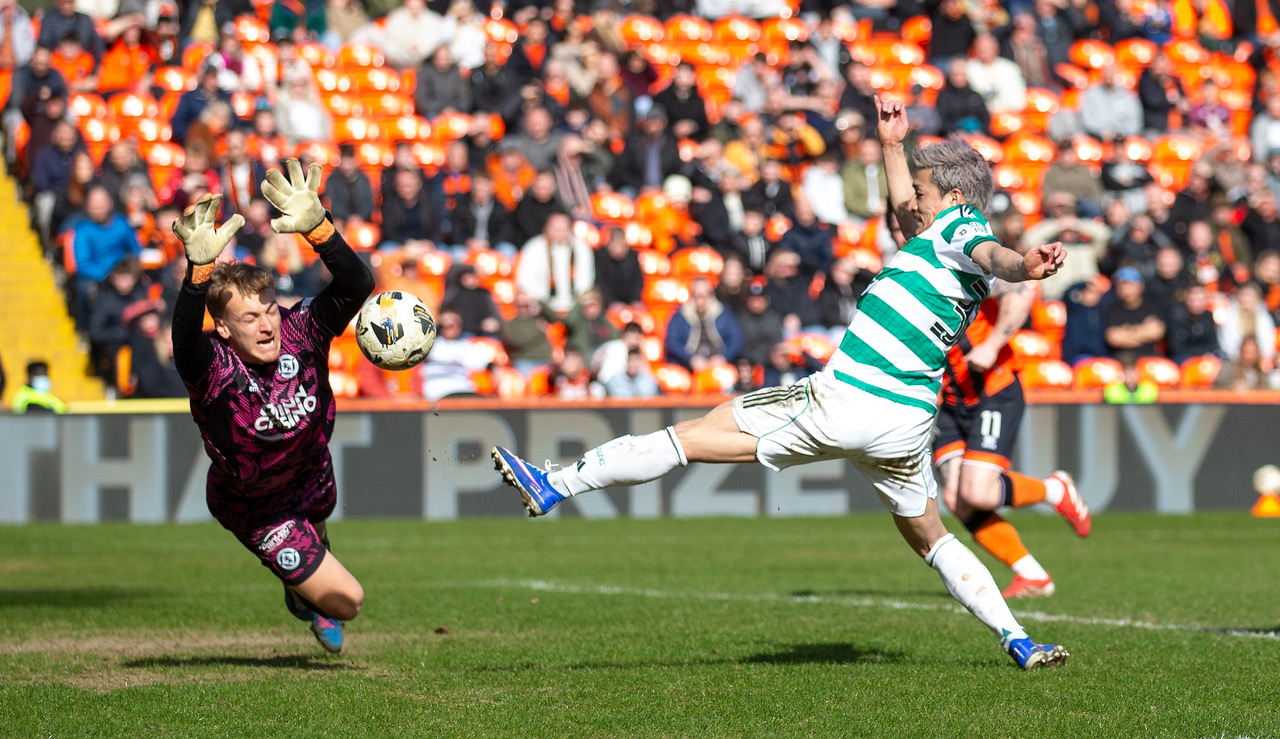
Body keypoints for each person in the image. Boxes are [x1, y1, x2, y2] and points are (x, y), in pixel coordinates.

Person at [491, 98, 1071, 670]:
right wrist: (893, 146)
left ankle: (556, 484)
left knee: (692, 437)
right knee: (930, 538)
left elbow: (995, 255)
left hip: (849, 397)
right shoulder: (939, 241)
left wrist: (1026, 266)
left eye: (923, 193)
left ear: (953, 199)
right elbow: (907, 215)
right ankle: (1018, 640)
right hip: (906, 422)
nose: (911, 201)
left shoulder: (965, 231)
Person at [170, 160, 375, 653]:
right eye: (248, 318)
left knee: (320, 527)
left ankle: (306, 570)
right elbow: (182, 343)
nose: (266, 326)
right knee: (347, 601)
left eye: (268, 311)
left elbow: (357, 286)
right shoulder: (214, 367)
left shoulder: (301, 329)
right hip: (254, 505)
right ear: (223, 327)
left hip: (310, 469)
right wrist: (197, 277)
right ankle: (304, 596)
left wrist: (319, 228)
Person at [934, 278, 1092, 601]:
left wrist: (992, 344)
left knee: (978, 492)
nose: (901, 229)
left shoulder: (957, 261)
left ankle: (1054, 490)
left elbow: (1021, 293)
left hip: (993, 390)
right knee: (956, 499)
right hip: (948, 401)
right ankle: (1032, 574)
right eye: (894, 225)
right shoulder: (904, 273)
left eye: (902, 223)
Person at [1104, 267, 1166, 359]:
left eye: (1128, 285)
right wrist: (1143, 332)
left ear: (1140, 286)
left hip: (1148, 358)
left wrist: (1127, 332)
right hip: (1122, 359)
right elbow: (1113, 338)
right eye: (1120, 285)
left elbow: (1157, 332)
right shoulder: (1112, 310)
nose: (1124, 289)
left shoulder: (1151, 307)